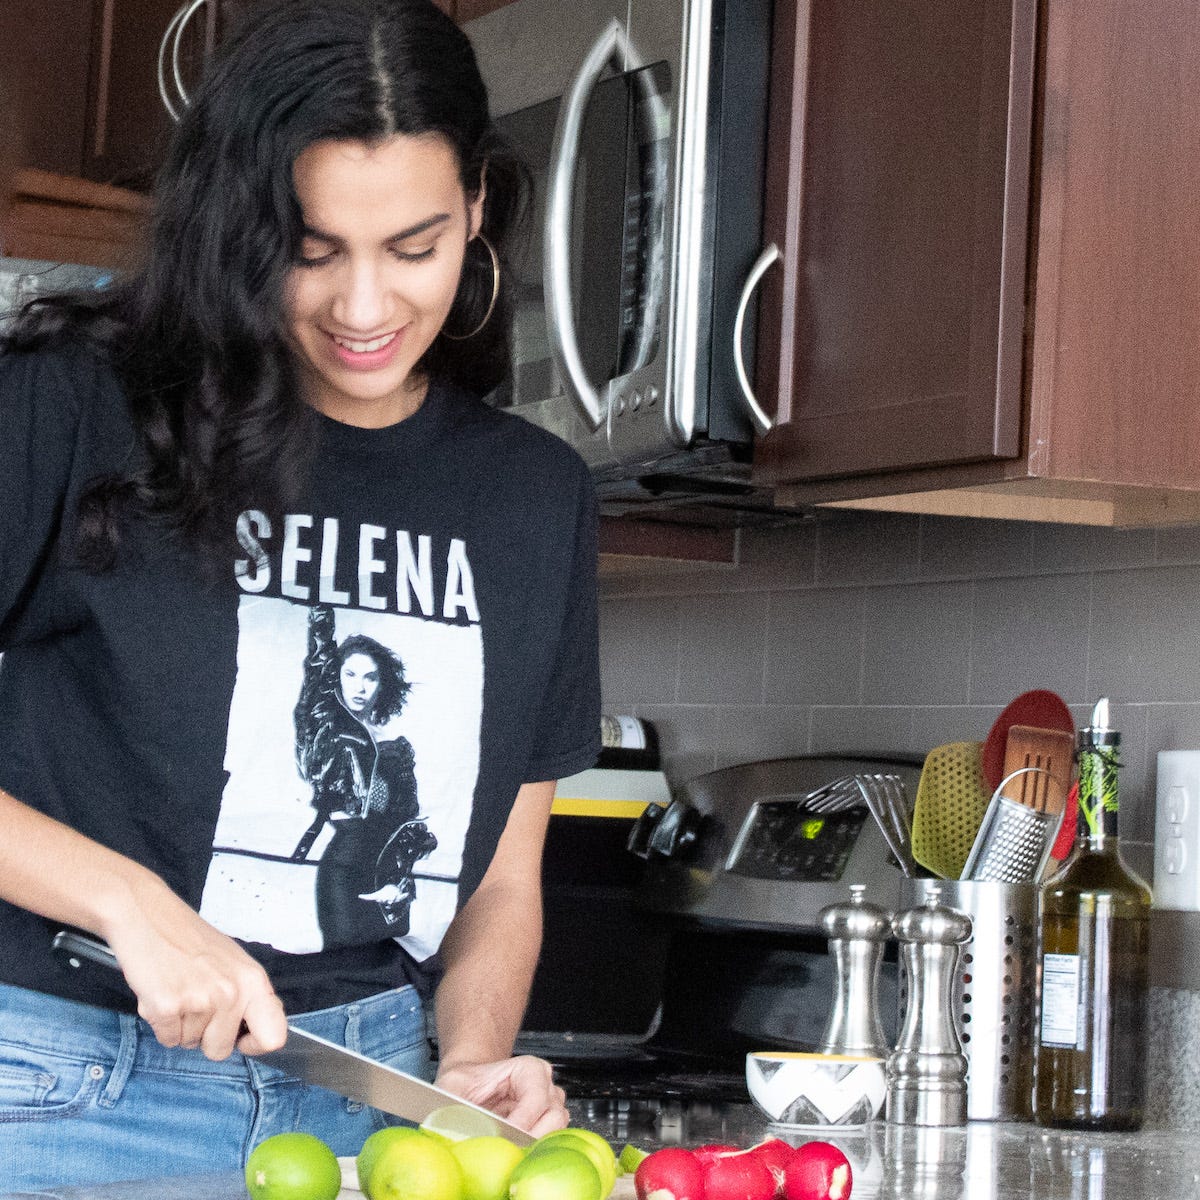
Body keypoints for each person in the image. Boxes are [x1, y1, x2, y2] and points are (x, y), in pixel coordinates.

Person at [0, 0, 600, 1188]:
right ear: (238, 226)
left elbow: (501, 878)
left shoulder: (533, 497)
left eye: (413, 247)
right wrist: (127, 902)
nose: (366, 309)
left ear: (476, 209)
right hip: (72, 1086)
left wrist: (472, 1069)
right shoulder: (74, 410)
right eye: (311, 251)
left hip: (381, 1106)